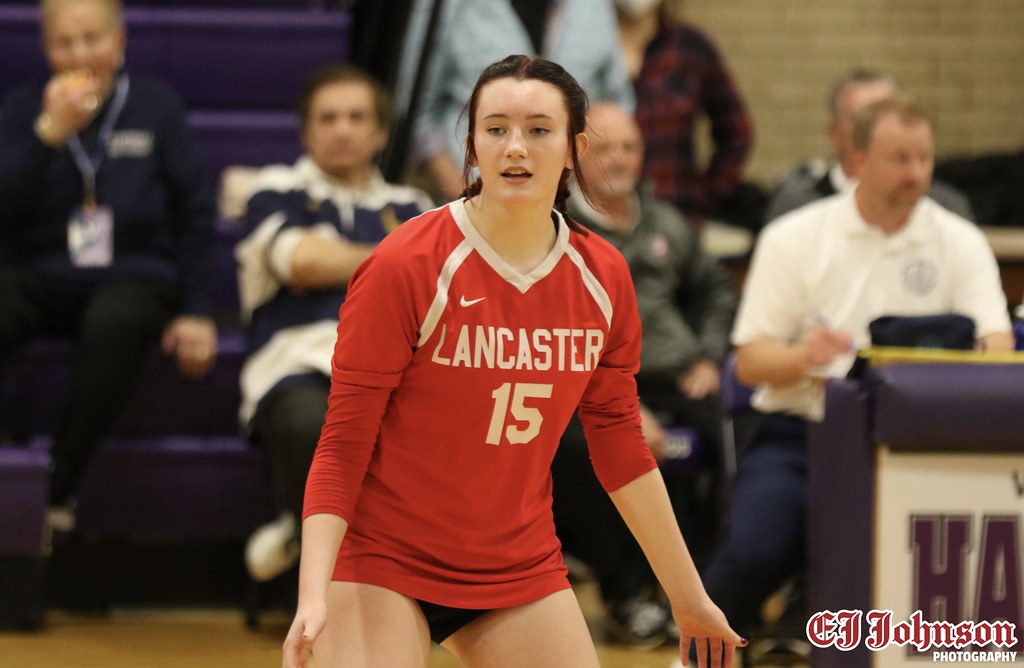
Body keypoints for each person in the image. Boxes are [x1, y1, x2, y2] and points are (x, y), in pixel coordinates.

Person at [281, 54, 744, 668]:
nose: (515, 147)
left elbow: (622, 447)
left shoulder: (604, 277)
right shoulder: (406, 264)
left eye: (539, 129)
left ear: (575, 148)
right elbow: (342, 443)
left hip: (515, 565)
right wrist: (313, 594)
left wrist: (689, 599)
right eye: (495, 129)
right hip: (382, 558)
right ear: (471, 145)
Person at [701, 94, 1013, 641]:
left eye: (924, 158)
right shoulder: (794, 238)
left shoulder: (959, 241)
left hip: (921, 444)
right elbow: (749, 362)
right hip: (800, 435)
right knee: (753, 553)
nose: (915, 174)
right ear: (857, 160)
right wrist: (805, 357)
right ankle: (699, 649)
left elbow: (997, 342)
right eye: (899, 159)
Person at [0, 0, 218, 526]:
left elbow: (196, 213)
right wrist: (47, 135)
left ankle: (57, 485)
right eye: (64, 42)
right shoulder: (23, 108)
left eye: (92, 40)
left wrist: (198, 308)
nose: (80, 54)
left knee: (114, 318)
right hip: (42, 273)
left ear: (119, 43)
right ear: (46, 48)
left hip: (133, 276)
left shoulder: (156, 107)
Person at [235, 65, 434, 583]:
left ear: (380, 132)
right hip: (297, 363)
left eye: (356, 117)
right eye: (328, 118)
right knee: (313, 424)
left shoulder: (413, 206)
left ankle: (307, 538)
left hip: (396, 367)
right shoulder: (274, 189)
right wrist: (392, 263)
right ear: (306, 131)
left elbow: (441, 289)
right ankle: (329, 565)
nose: (342, 129)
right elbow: (298, 261)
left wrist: (336, 262)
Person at [550, 102, 737, 646]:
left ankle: (711, 587)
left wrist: (707, 354)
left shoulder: (665, 222)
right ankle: (624, 593)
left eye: (630, 147)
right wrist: (627, 406)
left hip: (679, 374)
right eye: (605, 147)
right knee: (584, 448)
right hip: (598, 383)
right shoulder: (562, 229)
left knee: (739, 427)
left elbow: (715, 290)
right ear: (579, 154)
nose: (619, 159)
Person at [403, 0, 635, 200]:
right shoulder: (448, 7)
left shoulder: (592, 6)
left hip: (573, 199)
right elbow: (419, 111)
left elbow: (616, 104)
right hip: (475, 189)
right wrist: (466, 196)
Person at [765, 69, 973, 223]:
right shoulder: (798, 205)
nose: (877, 133)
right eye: (862, 121)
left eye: (890, 120)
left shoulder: (945, 205)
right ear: (835, 132)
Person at [615, 0, 753, 229]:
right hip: (599, 217)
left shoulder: (689, 47)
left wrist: (705, 196)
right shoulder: (585, 50)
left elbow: (736, 132)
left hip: (675, 216)